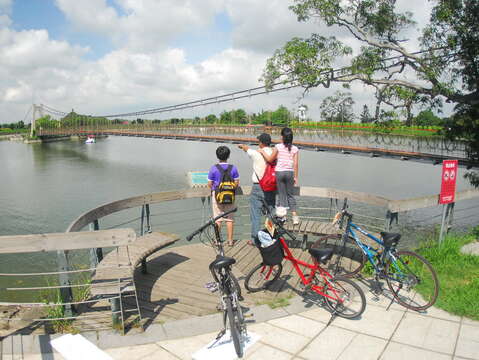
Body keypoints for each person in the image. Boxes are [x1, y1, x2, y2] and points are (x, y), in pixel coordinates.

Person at [238, 133, 276, 246]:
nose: (258, 143)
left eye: (259, 141)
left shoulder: (256, 153)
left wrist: (241, 146)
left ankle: (255, 240)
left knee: (255, 215)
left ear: (261, 143)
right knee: (270, 214)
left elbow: (247, 149)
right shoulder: (275, 153)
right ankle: (270, 238)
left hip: (258, 186)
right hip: (271, 186)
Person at [259, 127, 299, 225]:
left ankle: (283, 216)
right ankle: (294, 217)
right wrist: (296, 177)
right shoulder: (295, 149)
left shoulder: (278, 147)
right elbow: (296, 164)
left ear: (282, 137)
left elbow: (270, 159)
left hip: (279, 172)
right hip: (289, 173)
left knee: (281, 195)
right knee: (290, 195)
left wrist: (262, 151)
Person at [207, 146, 240, 246]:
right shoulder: (233, 168)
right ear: (228, 156)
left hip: (217, 196)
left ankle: (217, 241)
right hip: (230, 196)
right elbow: (237, 183)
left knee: (218, 219)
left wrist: (217, 188)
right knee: (229, 219)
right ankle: (230, 241)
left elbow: (209, 184)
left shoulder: (213, 168)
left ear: (217, 156)